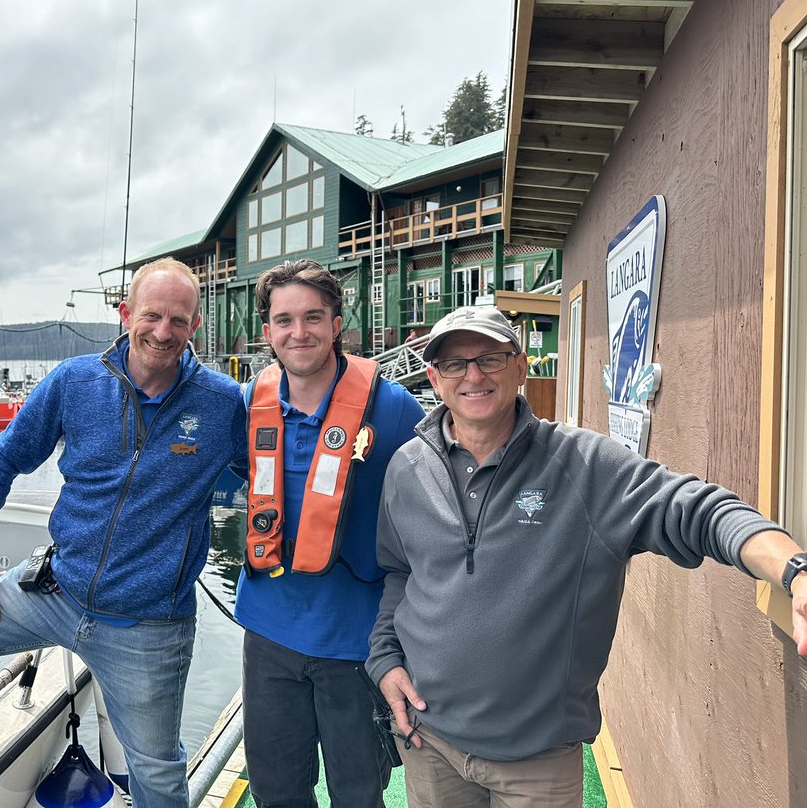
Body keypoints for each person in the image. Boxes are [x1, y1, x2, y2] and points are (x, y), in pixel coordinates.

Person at [367, 304, 807, 808]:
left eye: (490, 357)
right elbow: (399, 573)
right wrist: (384, 659)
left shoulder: (583, 464)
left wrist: (795, 571)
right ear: (434, 378)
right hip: (431, 744)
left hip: (538, 760)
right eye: (454, 363)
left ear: (520, 365)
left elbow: (702, 511)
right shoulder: (407, 466)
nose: (473, 375)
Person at [0, 257, 247, 808]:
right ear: (126, 313)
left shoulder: (223, 404)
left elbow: (275, 483)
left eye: (179, 320)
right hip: (56, 592)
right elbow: (1, 461)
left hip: (148, 624)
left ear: (195, 326)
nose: (163, 331)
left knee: (157, 774)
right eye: (152, 315)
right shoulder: (76, 381)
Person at [235, 259, 425, 807]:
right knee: (277, 790)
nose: (300, 332)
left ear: (338, 322)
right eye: (284, 320)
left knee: (358, 792)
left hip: (356, 642)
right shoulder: (251, 404)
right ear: (267, 331)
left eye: (313, 317)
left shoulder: (391, 409)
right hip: (268, 636)